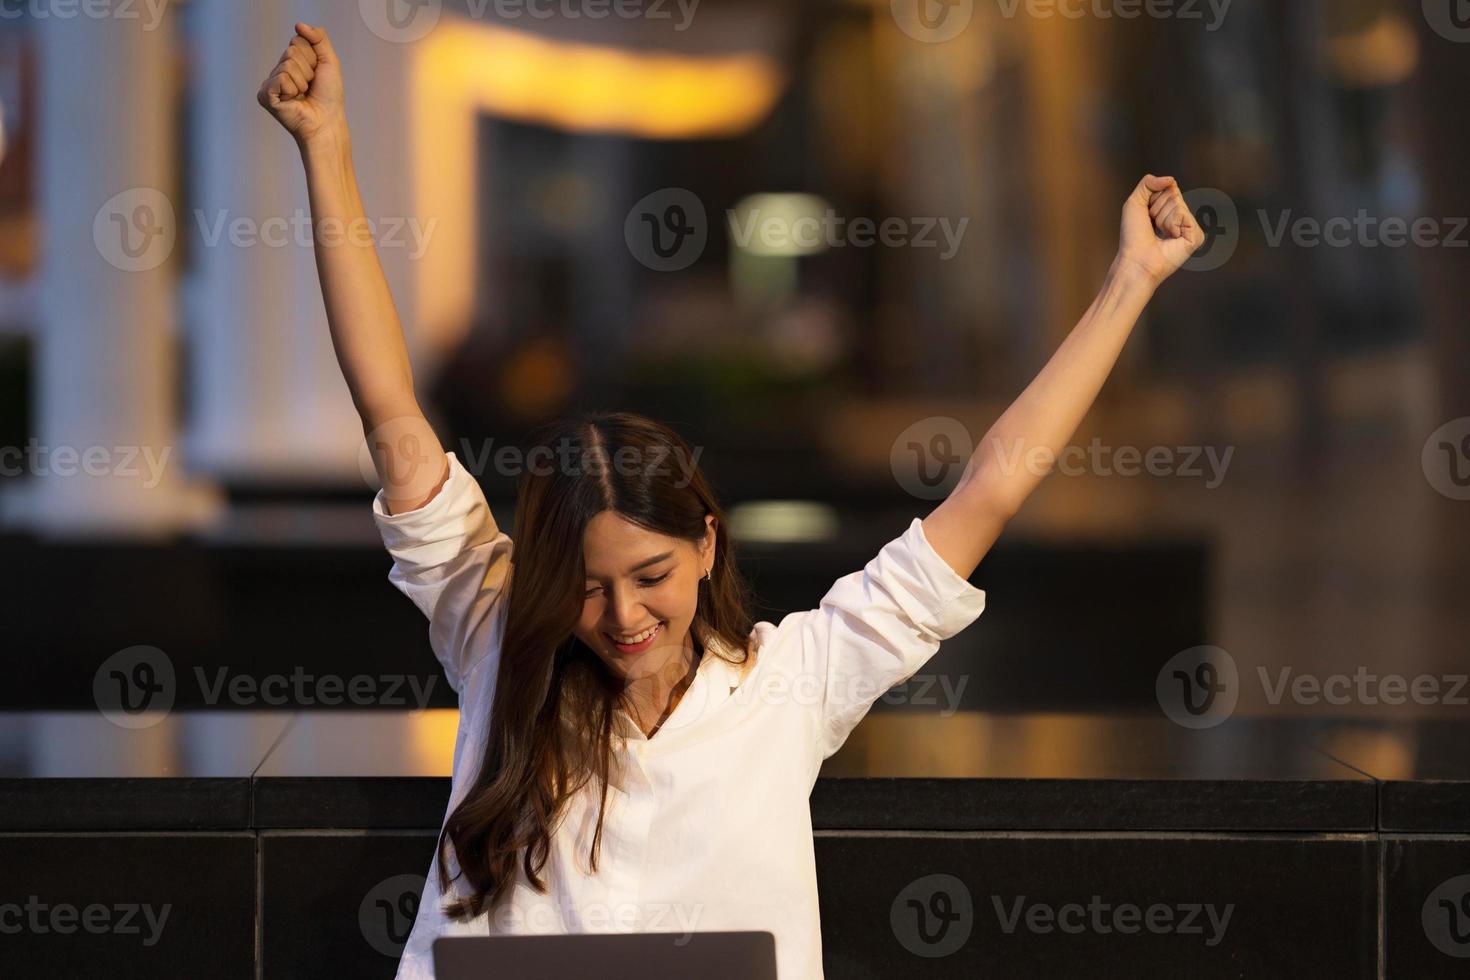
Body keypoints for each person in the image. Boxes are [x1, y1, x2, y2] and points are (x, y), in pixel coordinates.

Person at [256, 21, 1204, 980]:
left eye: (651, 574)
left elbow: (992, 484)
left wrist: (1130, 279)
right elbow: (390, 413)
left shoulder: (791, 683)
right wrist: (325, 145)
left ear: (707, 544)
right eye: (588, 586)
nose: (624, 616)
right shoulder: (498, 639)